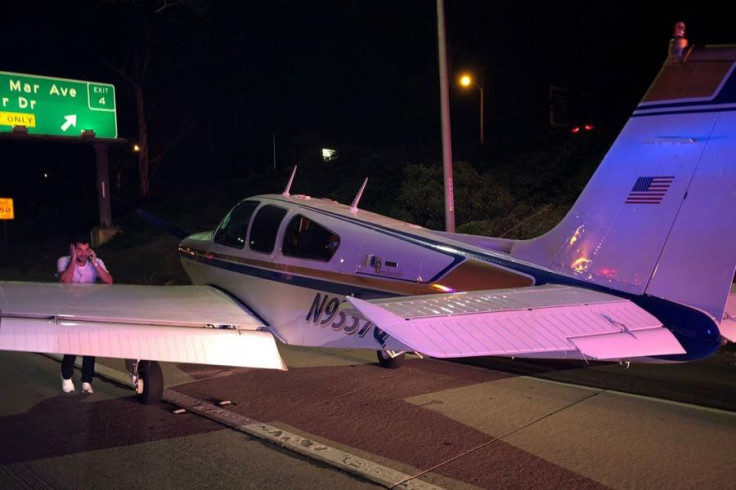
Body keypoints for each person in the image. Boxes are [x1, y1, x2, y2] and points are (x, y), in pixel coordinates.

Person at [57, 237, 113, 394]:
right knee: (73, 344)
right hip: (70, 308)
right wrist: (74, 259)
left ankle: (87, 380)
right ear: (73, 249)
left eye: (86, 250)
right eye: (79, 250)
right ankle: (66, 375)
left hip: (90, 308)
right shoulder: (64, 261)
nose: (83, 253)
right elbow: (65, 281)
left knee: (90, 344)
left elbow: (109, 281)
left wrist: (95, 263)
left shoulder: (96, 262)